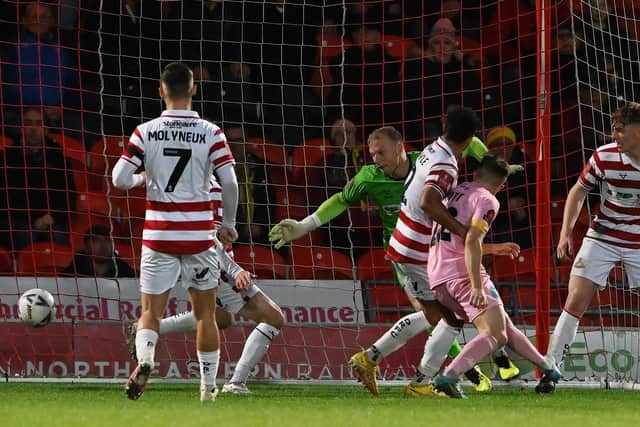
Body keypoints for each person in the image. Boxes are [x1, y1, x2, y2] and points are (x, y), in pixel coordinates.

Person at [269, 120, 516, 396]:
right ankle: (432, 377)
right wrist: (305, 225)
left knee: (438, 314)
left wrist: (492, 164)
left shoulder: (424, 160)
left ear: (400, 147)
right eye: (372, 154)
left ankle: (381, 362)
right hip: (408, 251)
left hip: (432, 249)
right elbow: (341, 200)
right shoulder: (369, 176)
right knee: (449, 313)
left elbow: (467, 143)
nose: (376, 159)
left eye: (381, 153)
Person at [112, 62, 239, 402]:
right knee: (206, 315)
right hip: (198, 236)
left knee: (151, 312)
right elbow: (229, 181)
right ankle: (208, 389)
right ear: (193, 90)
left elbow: (119, 179)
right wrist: (228, 224)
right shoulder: (212, 132)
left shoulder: (145, 131)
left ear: (160, 90)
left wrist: (142, 179)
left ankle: (147, 360)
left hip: (159, 235)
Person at [409, 155, 560, 399]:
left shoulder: (458, 189)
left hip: (437, 277)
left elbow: (459, 240)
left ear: (475, 175)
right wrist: (477, 287)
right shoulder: (488, 200)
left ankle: (547, 369)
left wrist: (493, 248)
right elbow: (471, 240)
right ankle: (449, 376)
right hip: (463, 276)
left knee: (504, 327)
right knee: (495, 333)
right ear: (501, 187)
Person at [127, 179, 285, 395]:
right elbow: (209, 238)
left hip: (197, 262)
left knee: (221, 318)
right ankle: (235, 383)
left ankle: (148, 329)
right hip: (216, 267)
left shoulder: (191, 184)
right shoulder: (211, 188)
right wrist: (234, 270)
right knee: (274, 318)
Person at [537, 102, 640, 393]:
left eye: (621, 130)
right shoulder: (604, 156)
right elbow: (579, 190)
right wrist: (565, 232)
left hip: (638, 240)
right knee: (576, 300)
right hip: (602, 236)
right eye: (614, 129)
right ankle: (551, 369)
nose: (615, 135)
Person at [0, 107, 75, 251]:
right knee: (27, 235)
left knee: (58, 236)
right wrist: (34, 219)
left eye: (38, 123)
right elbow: (5, 198)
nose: (33, 128)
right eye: (28, 123)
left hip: (51, 219)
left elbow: (68, 194)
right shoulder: (6, 157)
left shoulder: (58, 156)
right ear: (21, 127)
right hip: (18, 220)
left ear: (45, 129)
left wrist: (52, 217)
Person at [63, 225, 135, 278]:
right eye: (95, 241)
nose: (102, 245)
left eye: (107, 240)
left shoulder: (125, 271)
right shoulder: (72, 272)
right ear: (86, 247)